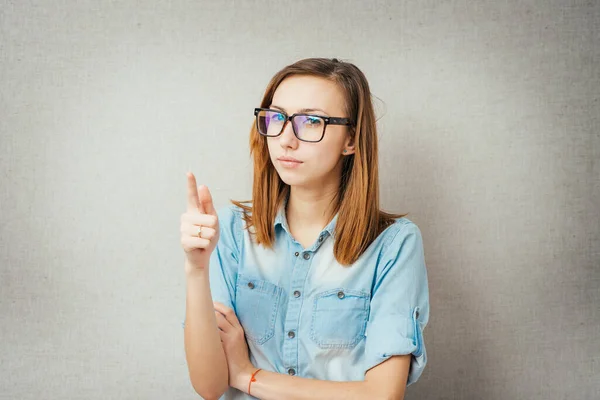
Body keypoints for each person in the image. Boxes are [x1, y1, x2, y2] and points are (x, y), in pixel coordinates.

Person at [180, 57, 430, 400]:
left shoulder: (394, 244)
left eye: (311, 121)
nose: (285, 139)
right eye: (277, 118)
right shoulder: (231, 232)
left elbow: (383, 396)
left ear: (351, 140)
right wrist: (196, 270)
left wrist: (249, 376)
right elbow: (209, 386)